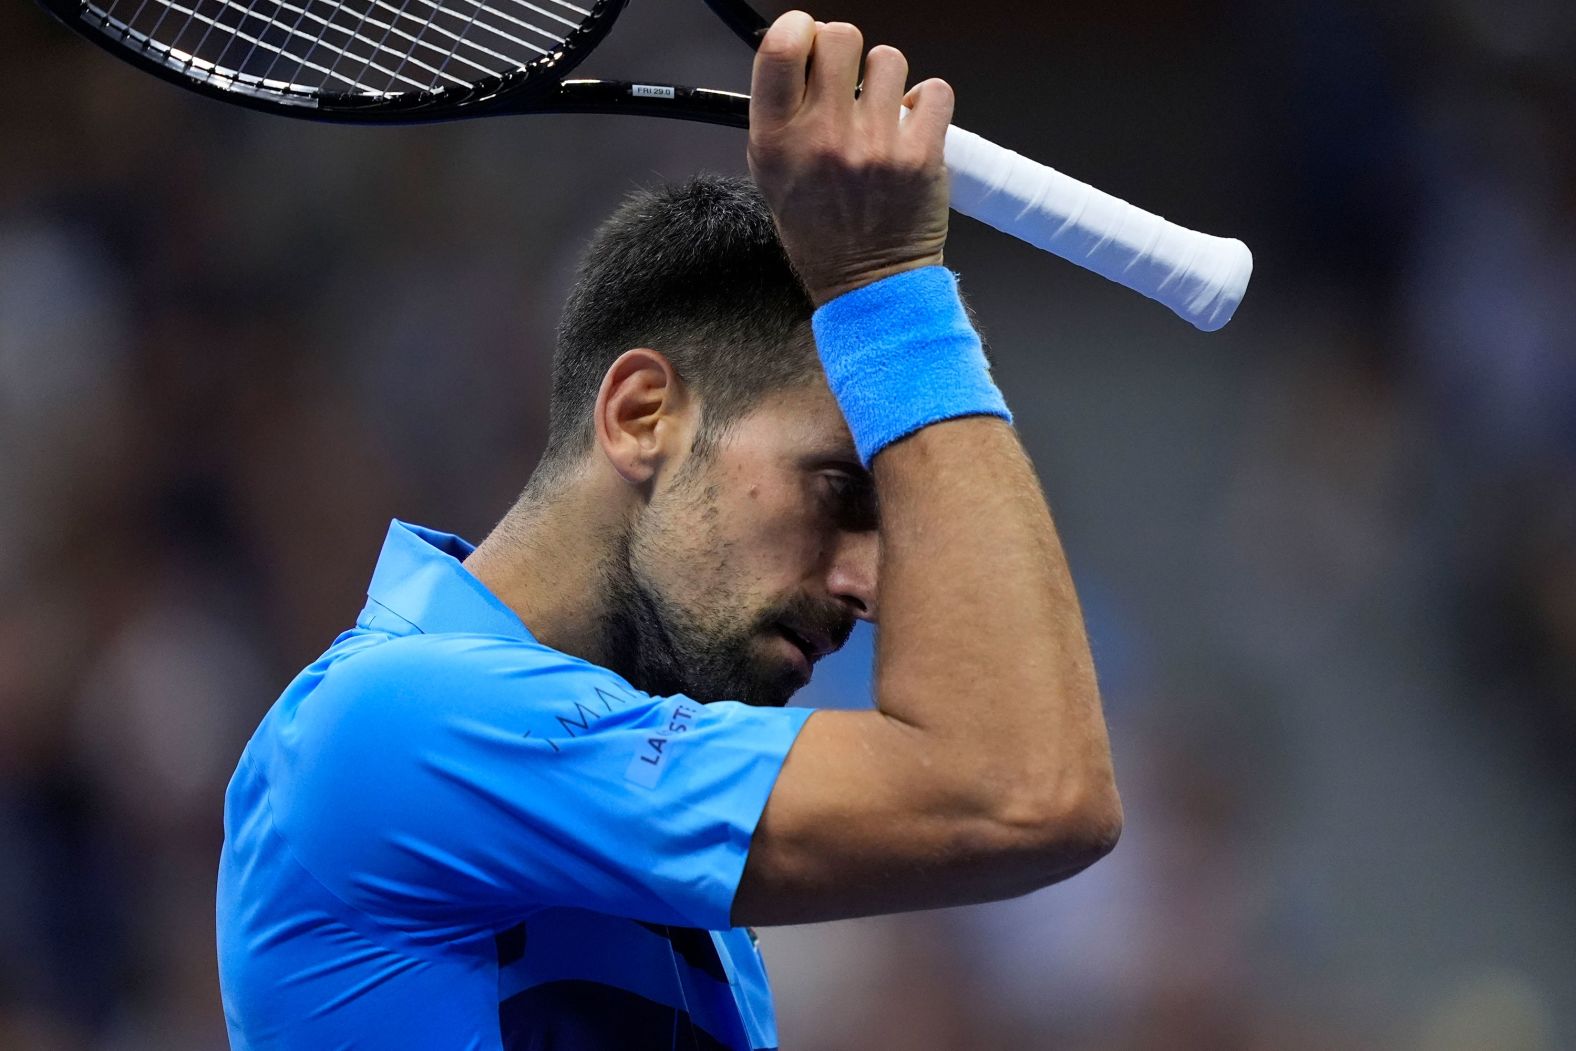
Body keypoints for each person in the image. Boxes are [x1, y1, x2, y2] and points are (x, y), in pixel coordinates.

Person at [215, 11, 1123, 1049]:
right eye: (836, 489)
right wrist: (885, 285)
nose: (870, 589)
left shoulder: (688, 896)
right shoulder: (399, 722)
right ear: (644, 416)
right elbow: (1025, 791)